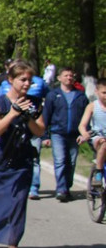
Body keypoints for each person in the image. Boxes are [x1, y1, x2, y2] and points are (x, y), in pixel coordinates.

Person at [0, 61, 45, 248]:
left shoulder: (35, 102)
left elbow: (40, 131)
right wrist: (13, 113)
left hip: (22, 157)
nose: (26, 84)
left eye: (29, 81)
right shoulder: (0, 102)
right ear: (11, 80)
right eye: (22, 79)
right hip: (0, 157)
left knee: (19, 201)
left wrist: (28, 117)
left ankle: (12, 245)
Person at [42, 67, 88, 202]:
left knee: (72, 162)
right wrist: (45, 136)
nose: (69, 78)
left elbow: (86, 117)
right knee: (60, 161)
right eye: (66, 75)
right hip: (58, 133)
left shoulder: (80, 96)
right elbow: (46, 116)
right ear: (59, 78)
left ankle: (67, 186)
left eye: (71, 75)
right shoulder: (53, 95)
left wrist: (85, 133)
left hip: (75, 135)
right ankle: (61, 189)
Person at [77, 78, 106, 186]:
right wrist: (84, 134)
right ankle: (98, 172)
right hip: (97, 137)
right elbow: (82, 125)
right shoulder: (92, 106)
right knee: (104, 144)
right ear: (97, 92)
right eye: (104, 93)